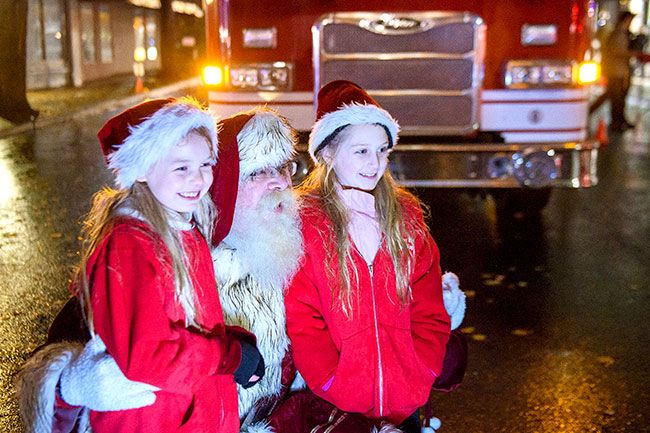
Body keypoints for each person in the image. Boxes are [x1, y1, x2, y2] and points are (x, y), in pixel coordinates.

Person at [17, 103, 466, 433]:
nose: (277, 184)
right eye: (257, 173)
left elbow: (350, 345)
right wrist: (70, 387)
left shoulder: (297, 254)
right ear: (227, 182)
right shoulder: (164, 257)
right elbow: (63, 367)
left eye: (284, 170)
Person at [15, 98, 264, 433]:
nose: (199, 179)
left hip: (190, 409)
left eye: (206, 164)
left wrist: (230, 340)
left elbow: (180, 321)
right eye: (181, 168)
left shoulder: (182, 228)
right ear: (144, 169)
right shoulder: (130, 244)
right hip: (154, 419)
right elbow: (150, 354)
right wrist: (227, 356)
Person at [281, 80, 461, 433]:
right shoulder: (307, 221)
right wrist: (331, 380)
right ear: (328, 153)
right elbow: (303, 317)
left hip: (406, 397)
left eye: (382, 151)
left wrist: (421, 369)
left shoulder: (405, 216)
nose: (374, 163)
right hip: (338, 401)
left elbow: (429, 307)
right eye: (361, 151)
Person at [590, 11, 649, 131]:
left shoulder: (624, 33)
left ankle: (619, 120)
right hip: (615, 71)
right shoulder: (617, 34)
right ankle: (615, 122)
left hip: (621, 71)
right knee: (615, 97)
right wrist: (635, 54)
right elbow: (617, 51)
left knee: (617, 97)